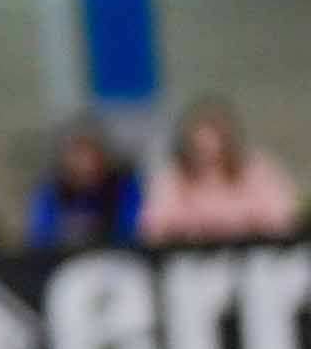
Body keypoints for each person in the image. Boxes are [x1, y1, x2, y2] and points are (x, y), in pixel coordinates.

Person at [144, 99, 300, 243]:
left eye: (217, 146)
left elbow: (284, 218)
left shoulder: (258, 170)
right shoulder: (171, 178)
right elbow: (153, 228)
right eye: (200, 149)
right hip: (188, 259)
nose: (209, 153)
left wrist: (243, 228)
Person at [36, 114, 147, 247]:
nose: (87, 162)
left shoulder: (123, 186)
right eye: (79, 153)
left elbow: (136, 230)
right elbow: (38, 237)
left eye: (92, 152)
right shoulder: (52, 191)